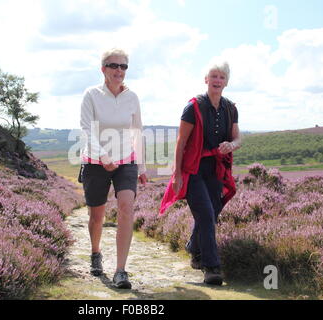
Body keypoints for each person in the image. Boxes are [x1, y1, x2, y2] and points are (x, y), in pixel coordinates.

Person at [159, 61, 241, 286]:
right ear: (206, 79)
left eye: (222, 77)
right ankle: (211, 268)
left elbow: (238, 138)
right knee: (205, 214)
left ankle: (194, 247)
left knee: (211, 214)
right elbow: (180, 142)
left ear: (226, 82)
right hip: (193, 169)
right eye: (213, 76)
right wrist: (177, 175)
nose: (217, 80)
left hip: (216, 169)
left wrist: (231, 146)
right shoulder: (193, 106)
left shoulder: (230, 108)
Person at [80, 48, 147, 289]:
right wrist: (103, 156)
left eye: (123, 66)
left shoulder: (132, 98)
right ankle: (96, 252)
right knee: (97, 216)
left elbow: (137, 131)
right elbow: (87, 130)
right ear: (103, 69)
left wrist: (141, 166)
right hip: (95, 162)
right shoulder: (91, 95)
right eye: (113, 65)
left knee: (127, 206)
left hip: (125, 162)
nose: (119, 70)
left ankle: (121, 270)